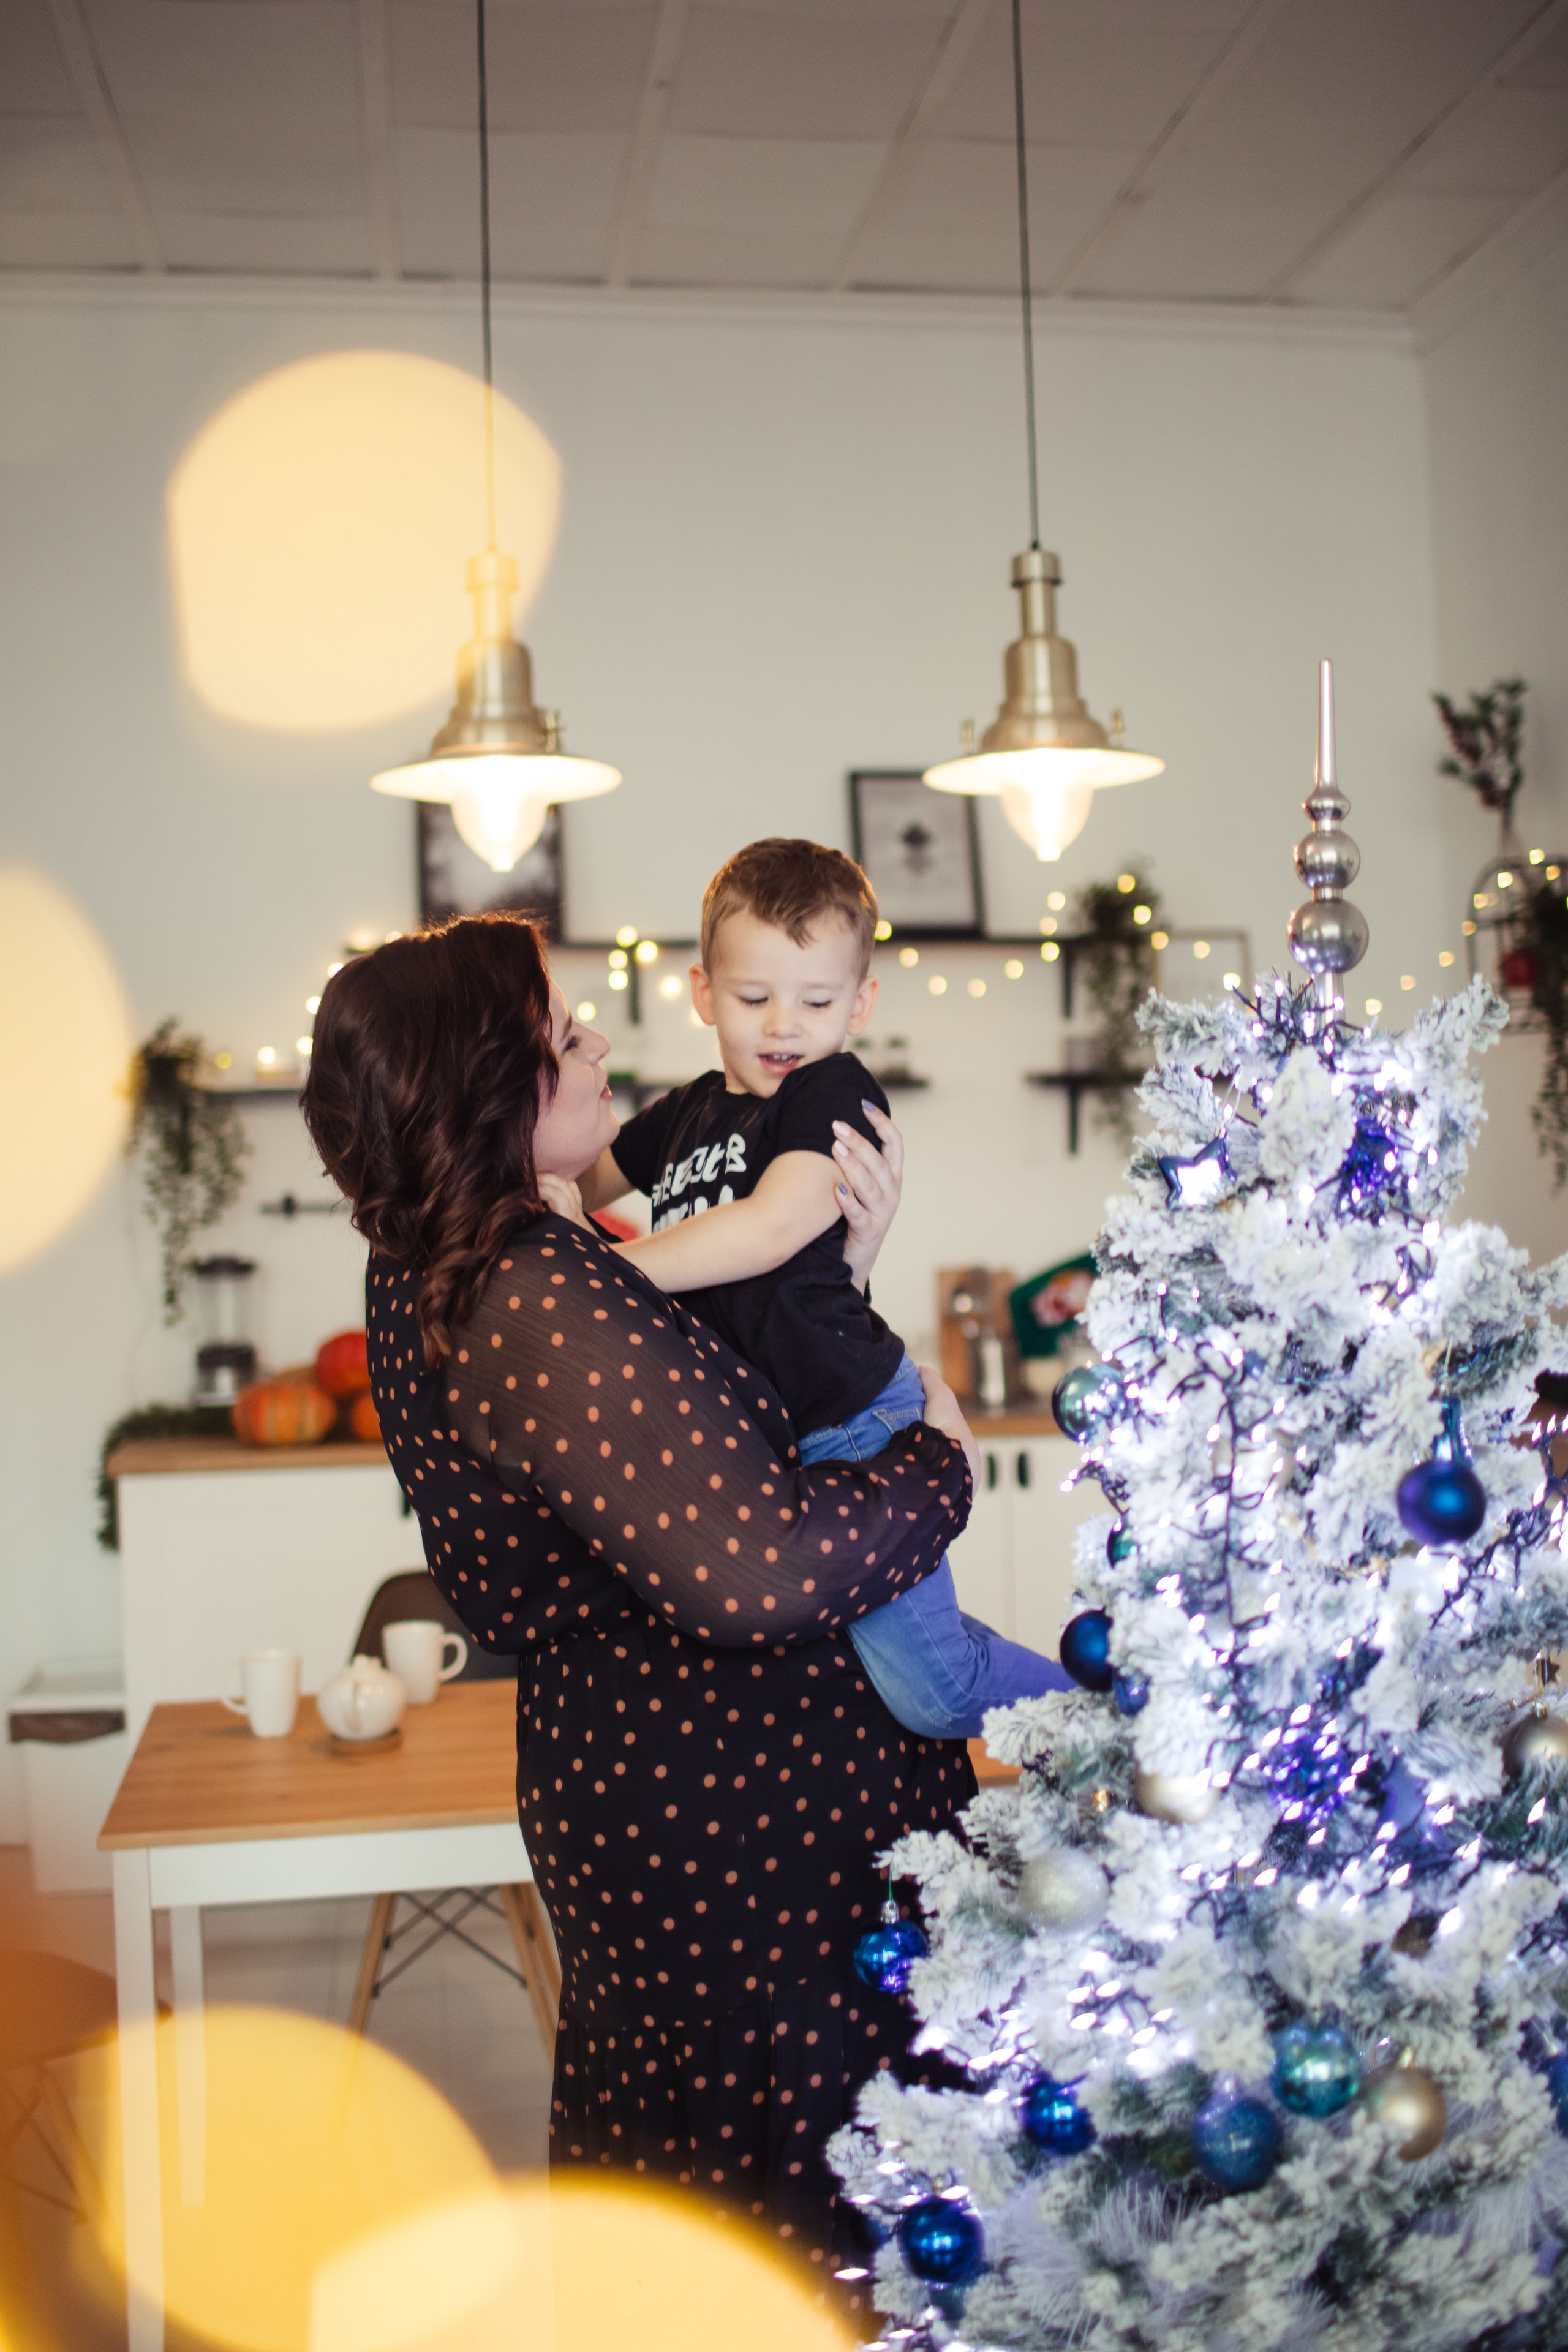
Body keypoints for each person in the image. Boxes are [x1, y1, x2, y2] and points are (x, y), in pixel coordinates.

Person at [300, 911, 978, 2287]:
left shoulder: (447, 1261)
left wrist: (841, 1276)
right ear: (495, 1088)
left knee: (705, 2191)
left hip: (654, 1792)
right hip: (744, 1827)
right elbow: (761, 1567)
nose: (599, 1041)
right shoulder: (532, 1285)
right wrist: (938, 1464)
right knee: (799, 2210)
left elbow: (696, 1444)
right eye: (562, 1033)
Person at [559, 837, 1070, 1740]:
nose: (784, 1026)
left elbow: (771, 1229)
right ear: (704, 993)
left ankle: (1114, 1720)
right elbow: (578, 1176)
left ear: (860, 1004)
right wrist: (546, 1202)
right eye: (754, 998)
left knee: (936, 1691)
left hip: (850, 1421)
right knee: (881, 1665)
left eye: (818, 1000)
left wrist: (606, 1274)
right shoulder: (685, 1112)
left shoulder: (832, 1091)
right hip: (768, 1444)